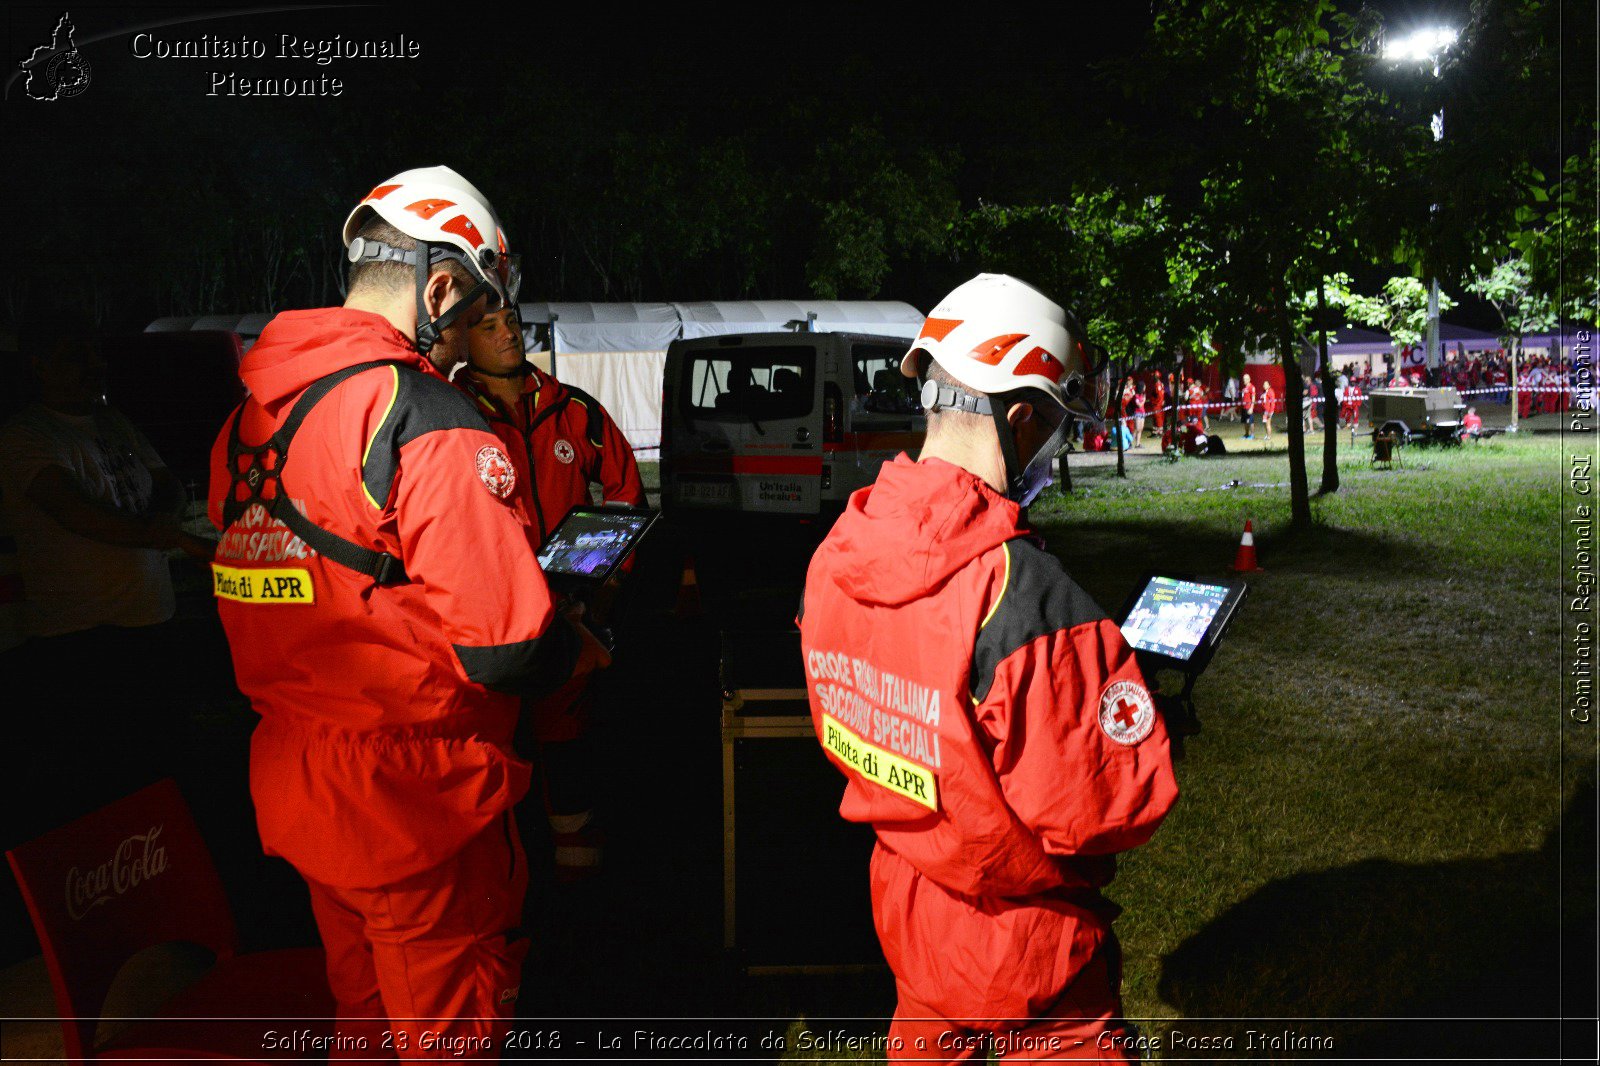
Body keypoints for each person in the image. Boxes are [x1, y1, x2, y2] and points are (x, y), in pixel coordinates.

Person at [206, 166, 607, 1057]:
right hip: (415, 799)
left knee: (364, 1020)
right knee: (451, 1029)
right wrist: (575, 648)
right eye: (472, 311)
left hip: (299, 776)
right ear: (437, 287)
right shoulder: (421, 413)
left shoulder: (249, 421)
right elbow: (505, 646)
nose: (474, 335)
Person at [798, 274, 1178, 1062]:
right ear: (1021, 416)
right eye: (1054, 428)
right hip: (1029, 958)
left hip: (911, 919)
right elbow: (1102, 812)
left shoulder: (838, 553)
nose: (1051, 450)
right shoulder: (1029, 595)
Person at [0, 320, 215, 958]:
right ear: (38, 364)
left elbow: (163, 480)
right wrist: (173, 537)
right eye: (73, 354)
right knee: (98, 785)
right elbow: (76, 514)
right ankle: (105, 928)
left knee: (159, 770)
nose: (91, 366)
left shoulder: (113, 421)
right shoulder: (24, 437)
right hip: (80, 635)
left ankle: (171, 907)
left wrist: (168, 512)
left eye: (93, 353)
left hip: (146, 616)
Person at [458, 306, 645, 881]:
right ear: (462, 338)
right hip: (489, 627)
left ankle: (578, 892)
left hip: (569, 617)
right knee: (489, 755)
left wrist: (602, 579)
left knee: (567, 749)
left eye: (510, 320)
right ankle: (502, 882)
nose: (507, 333)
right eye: (488, 326)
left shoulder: (576, 408)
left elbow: (625, 491)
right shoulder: (448, 412)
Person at [1239, 373, 1256, 439]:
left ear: (1249, 379)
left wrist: (1251, 408)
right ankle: (1246, 434)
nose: (1244, 380)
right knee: (1245, 422)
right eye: (1244, 379)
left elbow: (1253, 398)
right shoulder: (1244, 388)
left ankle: (1252, 435)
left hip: (1249, 408)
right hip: (1244, 407)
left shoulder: (1252, 387)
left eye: (1246, 379)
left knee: (1250, 422)